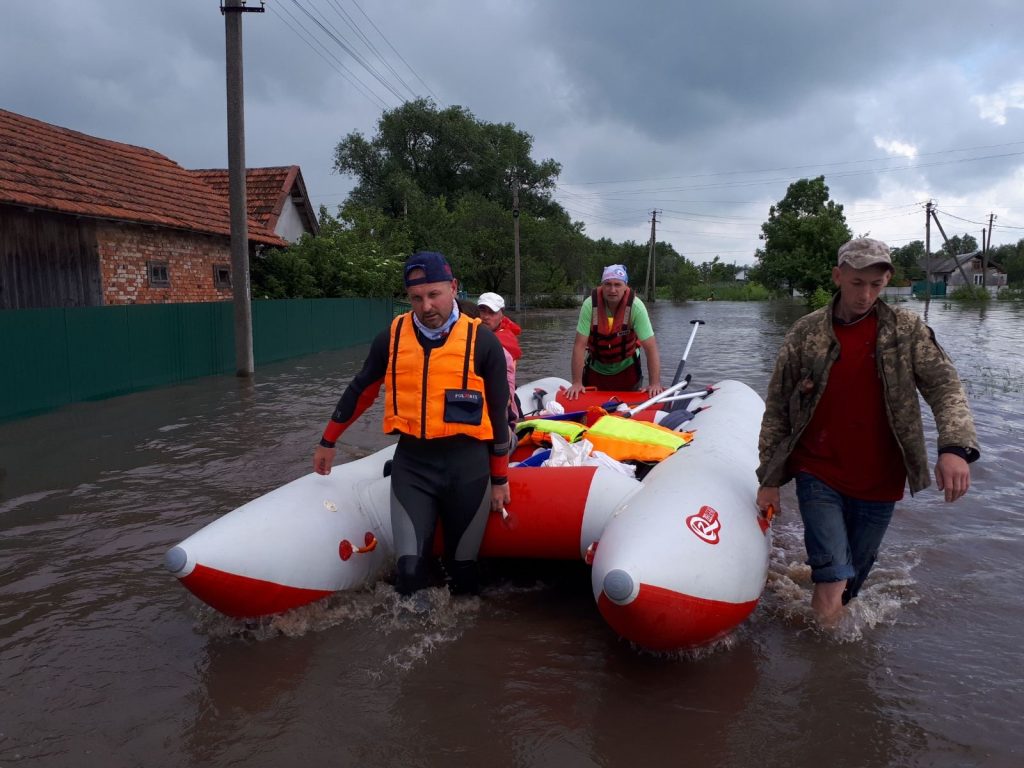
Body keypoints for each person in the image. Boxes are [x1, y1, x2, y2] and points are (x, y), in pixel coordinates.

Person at [755, 237, 979, 626]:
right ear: (838, 276)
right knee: (832, 581)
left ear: (887, 280)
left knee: (851, 584)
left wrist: (955, 448)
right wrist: (769, 479)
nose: (865, 295)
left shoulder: (906, 331)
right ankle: (825, 660)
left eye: (876, 284)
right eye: (857, 283)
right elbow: (777, 407)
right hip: (817, 471)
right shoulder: (806, 333)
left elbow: (945, 387)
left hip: (880, 479)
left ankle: (828, 636)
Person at [312, 251, 511, 597]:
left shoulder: (483, 342)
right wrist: (328, 441)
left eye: (434, 295)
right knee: (408, 573)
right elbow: (361, 390)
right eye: (416, 298)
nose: (426, 306)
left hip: (468, 468)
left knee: (463, 572)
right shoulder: (392, 337)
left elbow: (497, 415)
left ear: (453, 288)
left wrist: (500, 480)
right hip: (413, 467)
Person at [564, 264, 664, 399]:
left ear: (625, 286)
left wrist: (654, 384)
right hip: (596, 369)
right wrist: (576, 383)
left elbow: (650, 348)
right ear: (602, 285)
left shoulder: (636, 307)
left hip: (627, 369)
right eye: (608, 284)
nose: (612, 290)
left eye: (617, 285)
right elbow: (579, 345)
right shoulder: (590, 305)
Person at [477, 291, 522, 421]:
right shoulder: (469, 332)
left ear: (501, 315)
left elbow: (509, 375)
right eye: (482, 311)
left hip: (500, 396)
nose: (486, 317)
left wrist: (507, 398)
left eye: (492, 312)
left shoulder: (506, 340)